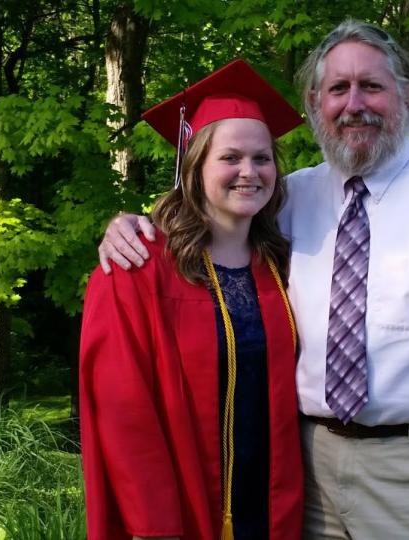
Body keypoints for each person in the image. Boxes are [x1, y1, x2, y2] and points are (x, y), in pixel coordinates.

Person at [98, 21, 409, 539]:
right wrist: (128, 224)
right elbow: (215, 221)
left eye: (371, 86)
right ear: (315, 103)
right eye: (338, 89)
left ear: (408, 96)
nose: (354, 103)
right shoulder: (291, 198)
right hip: (302, 468)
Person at [79, 59, 305, 540]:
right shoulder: (136, 266)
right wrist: (153, 526)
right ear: (194, 164)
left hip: (273, 507)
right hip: (179, 511)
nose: (249, 171)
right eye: (230, 158)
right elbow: (122, 411)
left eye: (262, 158)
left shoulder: (282, 267)